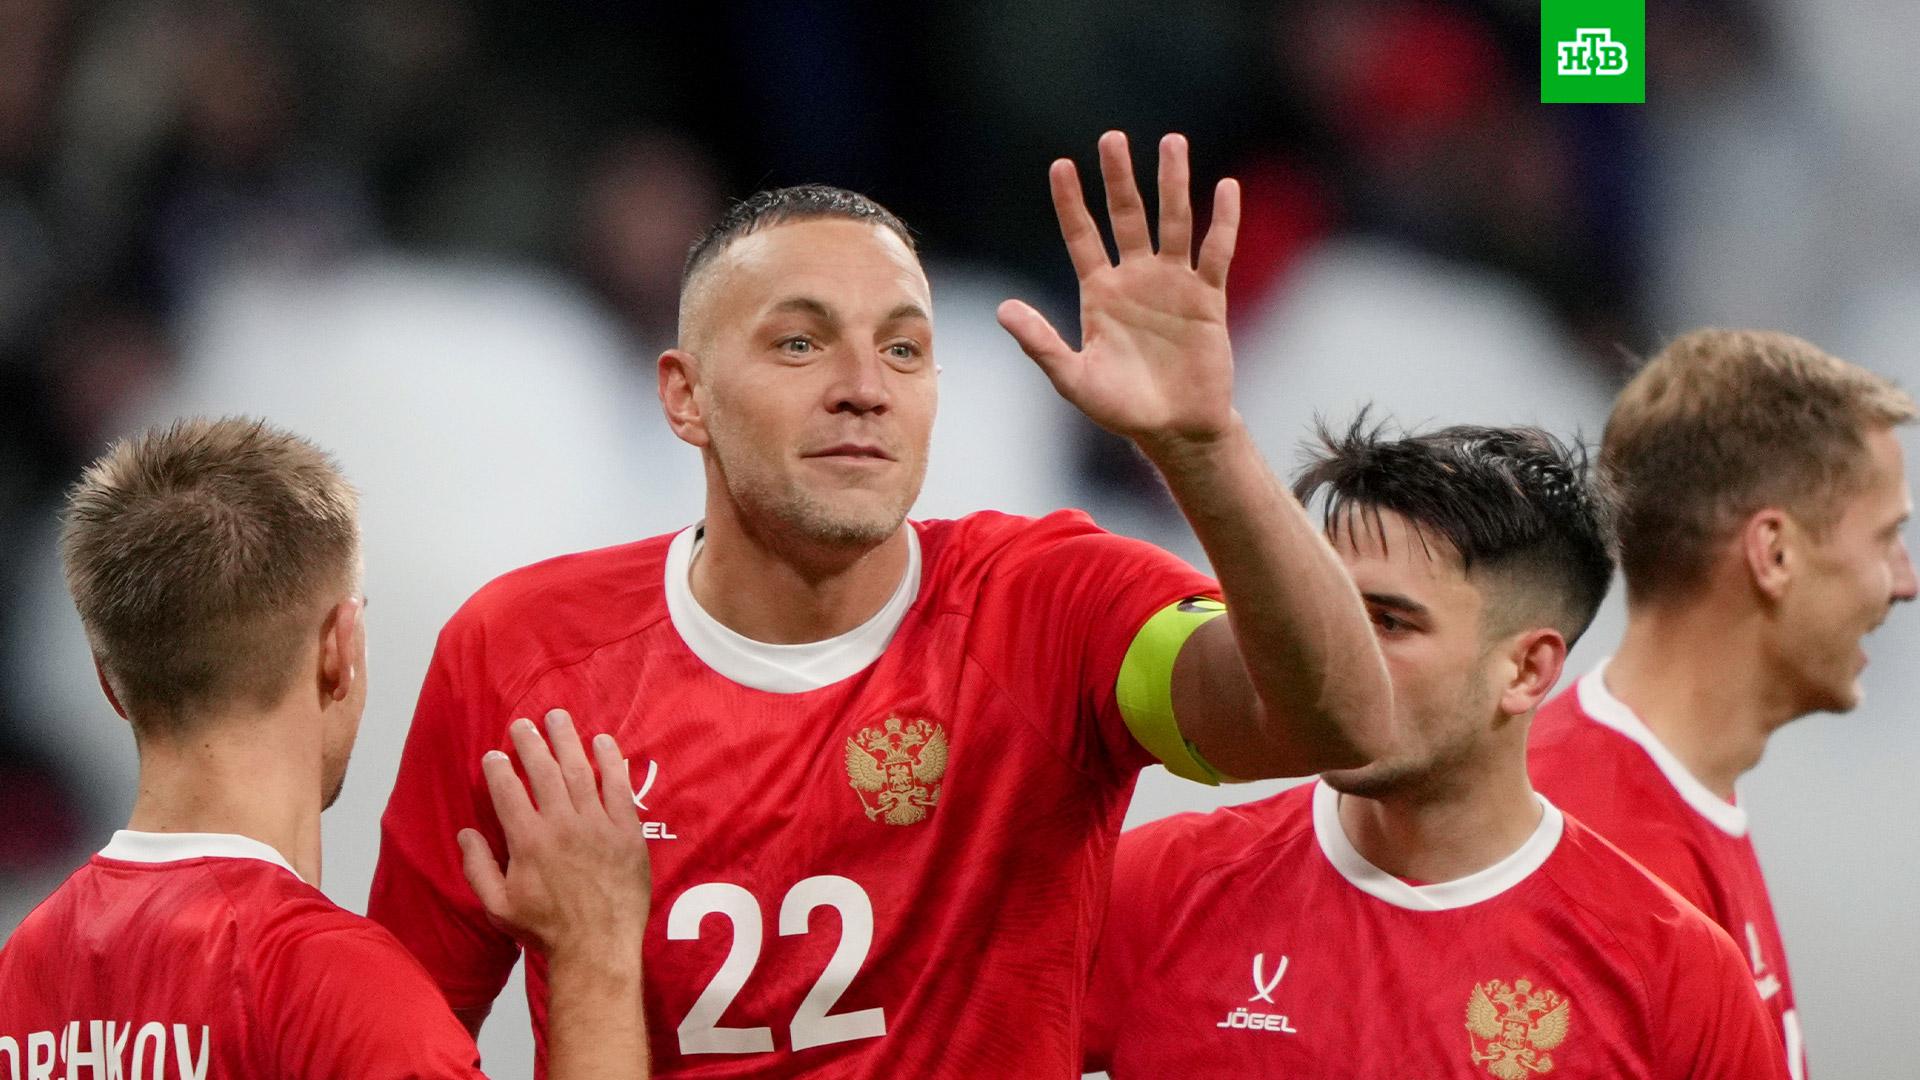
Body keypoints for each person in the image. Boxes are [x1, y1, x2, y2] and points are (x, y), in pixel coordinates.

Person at [367, 132, 1396, 1077]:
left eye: (903, 349)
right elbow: (396, 1045)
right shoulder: (520, 651)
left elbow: (1340, 724)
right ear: (686, 395)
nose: (865, 386)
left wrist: (1207, 448)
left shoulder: (1050, 603)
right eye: (799, 344)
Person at [1084, 419, 1788, 1079]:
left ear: (1526, 671)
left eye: (1390, 622)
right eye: (1325, 606)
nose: (1335, 654)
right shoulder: (1155, 889)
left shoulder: (1675, 977)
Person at [0, 417, 653, 1079]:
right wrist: (593, 952)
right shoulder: (335, 987)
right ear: (341, 648)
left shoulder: (20, 968)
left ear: (109, 682)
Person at [1529, 329, 1918, 1079]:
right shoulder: (1585, 857)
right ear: (1774, 553)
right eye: (1887, 538)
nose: (1906, 582)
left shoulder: (1672, 801)